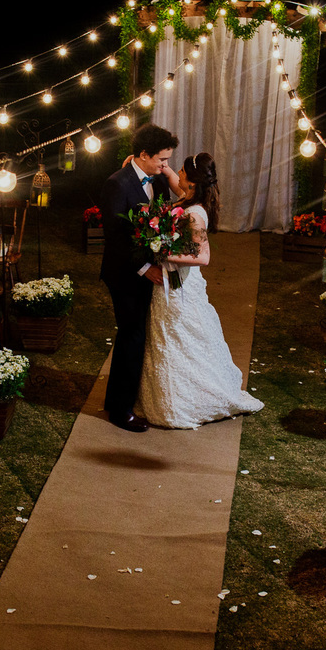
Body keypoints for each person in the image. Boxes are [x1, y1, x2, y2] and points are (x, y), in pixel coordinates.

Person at [136, 152, 264, 429]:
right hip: (171, 282)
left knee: (179, 335)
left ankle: (186, 400)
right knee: (168, 336)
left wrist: (163, 251)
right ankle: (166, 394)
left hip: (180, 285)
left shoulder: (194, 214)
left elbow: (202, 257)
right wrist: (161, 165)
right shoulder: (188, 197)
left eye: (181, 170)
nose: (176, 174)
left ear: (192, 180)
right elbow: (172, 179)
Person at [99, 123, 178, 433]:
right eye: (161, 160)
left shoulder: (157, 182)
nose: (165, 166)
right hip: (124, 274)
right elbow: (115, 238)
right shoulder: (116, 185)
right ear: (143, 155)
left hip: (147, 270)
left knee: (133, 336)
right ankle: (122, 411)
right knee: (133, 336)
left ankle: (117, 400)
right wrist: (145, 270)